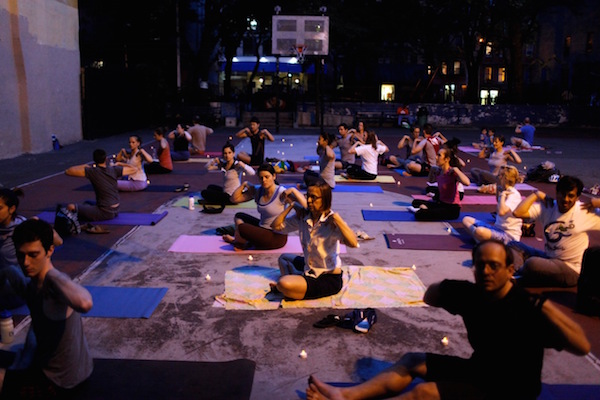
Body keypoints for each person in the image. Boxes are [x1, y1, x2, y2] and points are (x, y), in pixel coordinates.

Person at [306, 239, 590, 400]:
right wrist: (454, 288)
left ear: (510, 270)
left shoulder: (527, 308)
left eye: (495, 266)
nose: (487, 272)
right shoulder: (471, 294)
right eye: (481, 266)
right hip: (481, 370)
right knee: (412, 360)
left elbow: (582, 347)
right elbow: (430, 296)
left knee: (425, 393)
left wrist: (544, 306)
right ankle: (346, 397)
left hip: (511, 392)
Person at [0, 219, 94, 397]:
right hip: (47, 365)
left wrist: (52, 274)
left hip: (62, 381)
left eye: (33, 255)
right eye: (21, 255)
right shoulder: (29, 286)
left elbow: (85, 303)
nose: (26, 262)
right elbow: (9, 271)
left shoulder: (55, 288)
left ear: (50, 250)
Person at [271, 181, 358, 300]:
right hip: (310, 268)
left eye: (314, 197)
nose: (309, 200)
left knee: (283, 283)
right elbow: (275, 226)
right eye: (308, 196)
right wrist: (291, 206)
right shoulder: (303, 217)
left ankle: (290, 288)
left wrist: (338, 219)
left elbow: (353, 243)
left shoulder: (331, 223)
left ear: (325, 200)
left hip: (328, 278)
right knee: (284, 258)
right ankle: (295, 286)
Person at [509, 175, 600, 288]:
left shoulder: (585, 212)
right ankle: (520, 273)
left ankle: (519, 275)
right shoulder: (549, 206)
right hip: (549, 258)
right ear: (557, 193)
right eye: (562, 194)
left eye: (570, 196)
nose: (565, 199)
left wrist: (598, 203)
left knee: (532, 263)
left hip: (570, 269)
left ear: (577, 197)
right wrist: (536, 194)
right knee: (513, 245)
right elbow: (518, 213)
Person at [223, 164, 302, 250]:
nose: (264, 180)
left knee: (242, 228)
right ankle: (241, 241)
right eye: (261, 178)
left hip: (277, 236)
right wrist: (244, 184)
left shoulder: (282, 193)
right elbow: (234, 199)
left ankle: (240, 243)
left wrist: (294, 190)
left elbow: (304, 206)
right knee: (239, 216)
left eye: (267, 177)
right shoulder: (258, 191)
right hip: (262, 229)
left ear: (274, 176)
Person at [65, 148, 137, 222]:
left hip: (104, 212)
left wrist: (85, 165)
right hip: (116, 209)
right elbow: (134, 169)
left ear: (94, 160)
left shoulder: (92, 171)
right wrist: (120, 164)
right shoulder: (114, 170)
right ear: (106, 159)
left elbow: (68, 171)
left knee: (71, 207)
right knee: (87, 202)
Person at [462, 165, 523, 244]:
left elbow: (501, 211)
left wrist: (503, 195)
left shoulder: (513, 194)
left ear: (504, 178)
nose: (496, 178)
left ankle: (481, 241)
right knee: (466, 220)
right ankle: (482, 241)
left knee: (479, 231)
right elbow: (499, 203)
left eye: (498, 176)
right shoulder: (504, 191)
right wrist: (498, 188)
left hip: (509, 236)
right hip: (497, 229)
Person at [408, 147, 470, 221]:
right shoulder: (439, 171)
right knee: (415, 202)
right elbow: (430, 181)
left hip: (452, 209)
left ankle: (425, 210)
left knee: (419, 214)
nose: (436, 157)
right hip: (441, 204)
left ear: (446, 159)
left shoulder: (452, 172)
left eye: (439, 155)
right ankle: (425, 209)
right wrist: (432, 170)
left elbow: (467, 182)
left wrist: (456, 169)